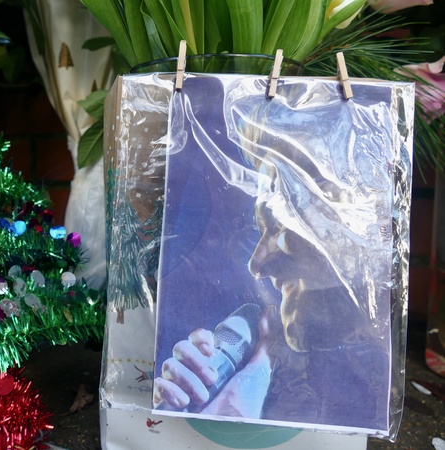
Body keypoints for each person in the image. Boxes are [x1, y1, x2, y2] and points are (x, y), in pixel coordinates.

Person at [153, 81, 394, 431]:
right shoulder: (269, 350)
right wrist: (227, 398)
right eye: (262, 229)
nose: (257, 266)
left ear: (347, 222)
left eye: (281, 226)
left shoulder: (372, 378)